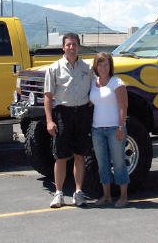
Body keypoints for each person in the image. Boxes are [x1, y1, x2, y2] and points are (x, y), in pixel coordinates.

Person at [44, 32, 93, 208]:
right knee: (61, 156)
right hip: (63, 114)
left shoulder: (88, 68)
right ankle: (59, 193)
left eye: (74, 44)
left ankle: (78, 192)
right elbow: (48, 97)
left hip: (82, 114)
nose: (71, 47)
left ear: (78, 47)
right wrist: (49, 121)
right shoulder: (54, 68)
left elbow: (96, 89)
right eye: (68, 45)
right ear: (63, 47)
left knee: (80, 155)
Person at [89, 52, 129, 207]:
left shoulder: (117, 82)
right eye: (100, 64)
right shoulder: (93, 82)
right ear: (96, 66)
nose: (103, 67)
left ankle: (123, 196)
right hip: (97, 129)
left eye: (106, 64)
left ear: (110, 66)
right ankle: (106, 196)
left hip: (114, 128)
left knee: (119, 163)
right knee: (102, 163)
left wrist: (120, 126)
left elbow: (123, 107)